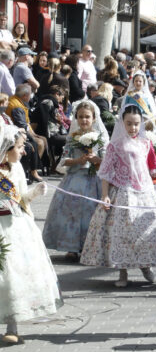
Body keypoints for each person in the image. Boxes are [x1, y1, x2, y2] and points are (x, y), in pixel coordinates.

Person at [80, 104, 156, 287]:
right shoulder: (115, 145)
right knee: (123, 234)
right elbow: (106, 172)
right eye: (129, 123)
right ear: (122, 123)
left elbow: (155, 169)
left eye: (136, 124)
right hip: (124, 192)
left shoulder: (146, 143)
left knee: (150, 230)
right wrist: (106, 195)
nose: (133, 127)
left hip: (146, 192)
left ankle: (145, 265)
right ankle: (122, 272)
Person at [0, 125, 62, 344]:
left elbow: (21, 198)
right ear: (6, 148)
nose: (23, 151)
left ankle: (12, 325)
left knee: (13, 275)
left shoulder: (17, 168)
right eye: (18, 147)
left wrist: (34, 193)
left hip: (15, 227)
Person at [42, 101, 108, 260]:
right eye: (80, 117)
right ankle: (71, 247)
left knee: (92, 213)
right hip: (75, 179)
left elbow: (108, 161)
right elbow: (63, 160)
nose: (84, 120)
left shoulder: (101, 138)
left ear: (93, 118)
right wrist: (79, 160)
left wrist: (96, 160)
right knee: (72, 213)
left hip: (95, 180)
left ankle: (91, 246)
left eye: (87, 117)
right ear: (76, 118)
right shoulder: (72, 138)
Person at [7, 84, 46, 182]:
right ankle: (33, 171)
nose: (31, 96)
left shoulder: (19, 101)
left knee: (43, 139)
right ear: (25, 96)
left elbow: (26, 123)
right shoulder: (16, 106)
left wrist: (34, 134)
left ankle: (33, 168)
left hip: (22, 130)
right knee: (38, 143)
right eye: (30, 94)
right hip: (16, 134)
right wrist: (32, 137)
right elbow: (22, 125)